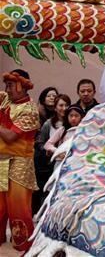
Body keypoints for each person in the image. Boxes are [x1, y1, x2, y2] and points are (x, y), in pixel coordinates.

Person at [0, 70, 40, 251]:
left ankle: (24, 247)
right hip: (1, 162)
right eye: (6, 85)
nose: (6, 90)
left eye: (10, 86)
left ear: (23, 86)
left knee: (18, 208)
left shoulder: (31, 110)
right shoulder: (7, 99)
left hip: (20, 164)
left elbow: (9, 137)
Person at [34, 93, 70, 212]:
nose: (64, 108)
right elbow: (41, 142)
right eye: (60, 105)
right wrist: (51, 151)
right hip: (49, 164)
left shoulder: (72, 124)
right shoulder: (48, 124)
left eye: (66, 105)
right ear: (55, 107)